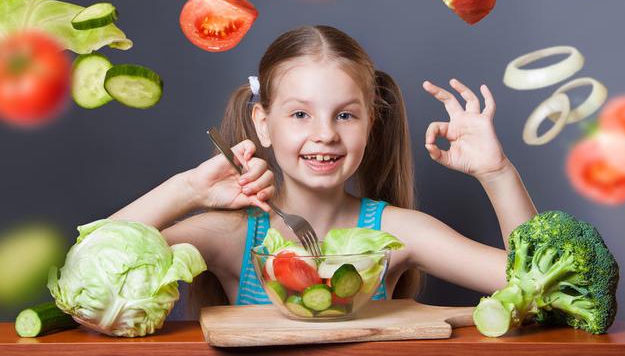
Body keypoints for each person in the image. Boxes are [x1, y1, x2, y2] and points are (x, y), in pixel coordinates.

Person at [111, 25, 537, 316]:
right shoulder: (233, 237)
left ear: (371, 122)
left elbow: (540, 289)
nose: (325, 134)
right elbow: (101, 266)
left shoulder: (399, 233)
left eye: (346, 116)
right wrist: (186, 189)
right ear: (264, 123)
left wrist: (496, 172)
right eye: (300, 114)